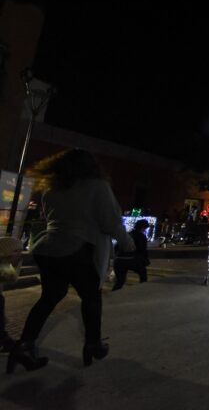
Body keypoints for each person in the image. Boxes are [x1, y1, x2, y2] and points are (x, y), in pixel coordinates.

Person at [6, 149, 135, 373]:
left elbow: (52, 219)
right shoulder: (97, 186)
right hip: (78, 249)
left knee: (49, 297)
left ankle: (24, 345)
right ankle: (93, 343)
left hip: (48, 248)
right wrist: (127, 243)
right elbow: (111, 222)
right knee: (91, 297)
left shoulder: (51, 189)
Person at [112, 219, 150, 291]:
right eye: (145, 228)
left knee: (120, 282)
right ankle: (142, 290)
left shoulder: (127, 234)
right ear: (142, 227)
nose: (145, 230)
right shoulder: (141, 236)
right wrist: (145, 261)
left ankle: (113, 295)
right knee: (143, 273)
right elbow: (142, 250)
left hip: (119, 260)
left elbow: (116, 247)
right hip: (131, 259)